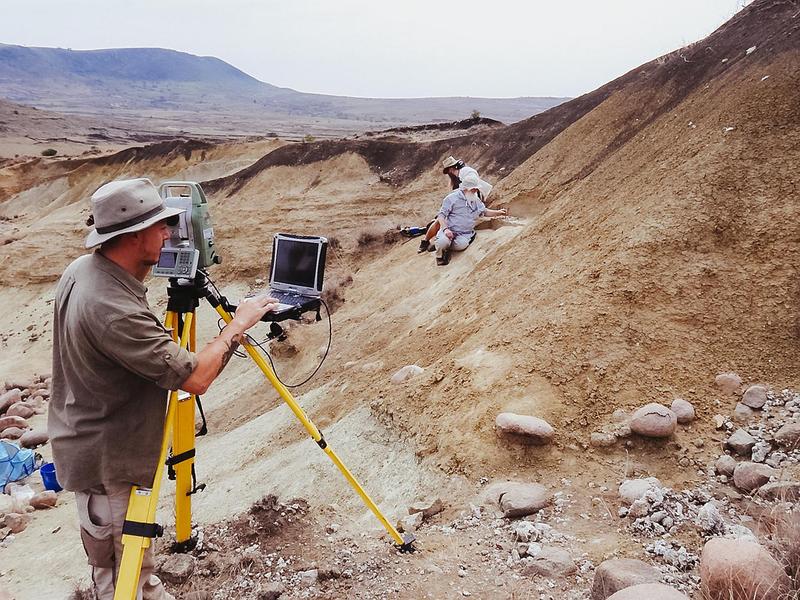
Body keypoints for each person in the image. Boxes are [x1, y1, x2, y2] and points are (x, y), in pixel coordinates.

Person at [48, 178, 278, 600]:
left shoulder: (85, 270)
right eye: (162, 226)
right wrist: (238, 325)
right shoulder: (110, 308)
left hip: (96, 441)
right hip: (108, 463)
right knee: (121, 579)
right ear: (134, 236)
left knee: (137, 570)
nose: (171, 233)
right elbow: (195, 378)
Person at [418, 156, 493, 253]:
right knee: (441, 218)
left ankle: (427, 242)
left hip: (473, 206)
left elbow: (472, 189)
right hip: (470, 204)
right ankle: (435, 242)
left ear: (451, 169)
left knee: (438, 220)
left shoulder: (466, 173)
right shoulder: (461, 175)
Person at [433, 171, 507, 265]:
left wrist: (498, 213)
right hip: (449, 229)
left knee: (462, 245)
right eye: (473, 189)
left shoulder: (475, 199)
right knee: (443, 242)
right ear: (465, 188)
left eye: (476, 189)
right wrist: (446, 229)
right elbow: (441, 216)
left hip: (464, 233)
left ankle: (447, 245)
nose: (476, 191)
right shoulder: (451, 198)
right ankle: (440, 252)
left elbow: (484, 211)